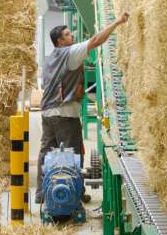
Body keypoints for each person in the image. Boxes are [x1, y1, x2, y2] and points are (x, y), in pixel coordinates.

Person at [36, 12, 130, 203]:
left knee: (46, 153)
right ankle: (74, 195)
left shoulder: (49, 59)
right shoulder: (70, 53)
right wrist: (118, 22)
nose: (73, 36)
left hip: (47, 113)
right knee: (72, 153)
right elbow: (96, 40)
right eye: (69, 34)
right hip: (65, 114)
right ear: (60, 41)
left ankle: (41, 193)